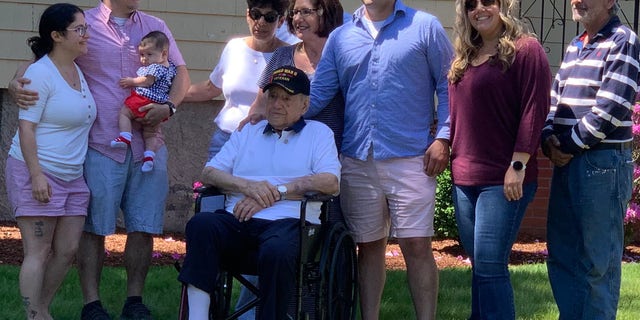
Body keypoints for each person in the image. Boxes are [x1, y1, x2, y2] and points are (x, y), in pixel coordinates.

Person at [8, 1, 190, 319]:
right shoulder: (84, 26)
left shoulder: (155, 26)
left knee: (143, 226)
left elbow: (181, 74)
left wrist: (170, 107)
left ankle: (134, 301)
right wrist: (14, 83)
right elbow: (41, 61)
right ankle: (91, 304)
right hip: (101, 143)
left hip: (149, 143)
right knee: (93, 230)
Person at [305, 0, 453, 318]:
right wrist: (275, 114)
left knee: (416, 246)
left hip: (412, 157)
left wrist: (443, 137)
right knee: (369, 247)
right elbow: (319, 94)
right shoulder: (341, 37)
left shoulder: (425, 27)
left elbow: (448, 84)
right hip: (357, 157)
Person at [178, 65, 340, 320]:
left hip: (289, 222)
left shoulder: (318, 134)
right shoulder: (249, 131)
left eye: (286, 99)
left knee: (277, 250)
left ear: (305, 105)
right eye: (272, 96)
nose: (276, 104)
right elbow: (209, 173)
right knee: (202, 225)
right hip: (238, 219)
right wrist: (247, 187)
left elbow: (330, 182)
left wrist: (277, 192)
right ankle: (197, 316)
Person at [447, 0, 551, 318]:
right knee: (480, 266)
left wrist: (518, 165)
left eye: (488, 1)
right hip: (464, 178)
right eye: (471, 4)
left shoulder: (526, 50)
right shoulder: (464, 57)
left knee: (491, 266)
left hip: (504, 178)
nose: (480, 8)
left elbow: (535, 110)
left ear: (503, 5)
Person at [541, 0, 639, 318]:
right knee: (562, 255)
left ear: (610, 1)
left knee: (598, 263)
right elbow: (555, 98)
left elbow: (612, 106)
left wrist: (567, 145)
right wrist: (547, 139)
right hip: (568, 162)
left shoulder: (623, 39)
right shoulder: (575, 45)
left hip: (603, 165)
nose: (576, 1)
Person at [4, 4, 95, 320]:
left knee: (67, 249)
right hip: (38, 172)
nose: (86, 35)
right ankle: (34, 315)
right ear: (57, 35)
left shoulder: (76, 68)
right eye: (79, 29)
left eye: (86, 28)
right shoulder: (40, 74)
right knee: (38, 252)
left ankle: (41, 309)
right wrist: (36, 175)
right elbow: (25, 128)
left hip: (72, 177)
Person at [183, 0, 290, 160]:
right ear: (248, 15)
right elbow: (210, 88)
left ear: (280, 21)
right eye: (255, 14)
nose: (260, 22)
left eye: (270, 17)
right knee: (213, 183)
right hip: (225, 139)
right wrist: (171, 96)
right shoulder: (234, 47)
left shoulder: (288, 55)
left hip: (266, 142)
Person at [111, 31, 177, 173]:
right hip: (158, 105)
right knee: (151, 133)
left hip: (144, 99)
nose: (144, 59)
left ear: (164, 54)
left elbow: (147, 81)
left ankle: (125, 135)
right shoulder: (170, 68)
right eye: (142, 55)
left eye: (149, 54)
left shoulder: (154, 68)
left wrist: (131, 81)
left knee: (125, 113)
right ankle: (149, 156)